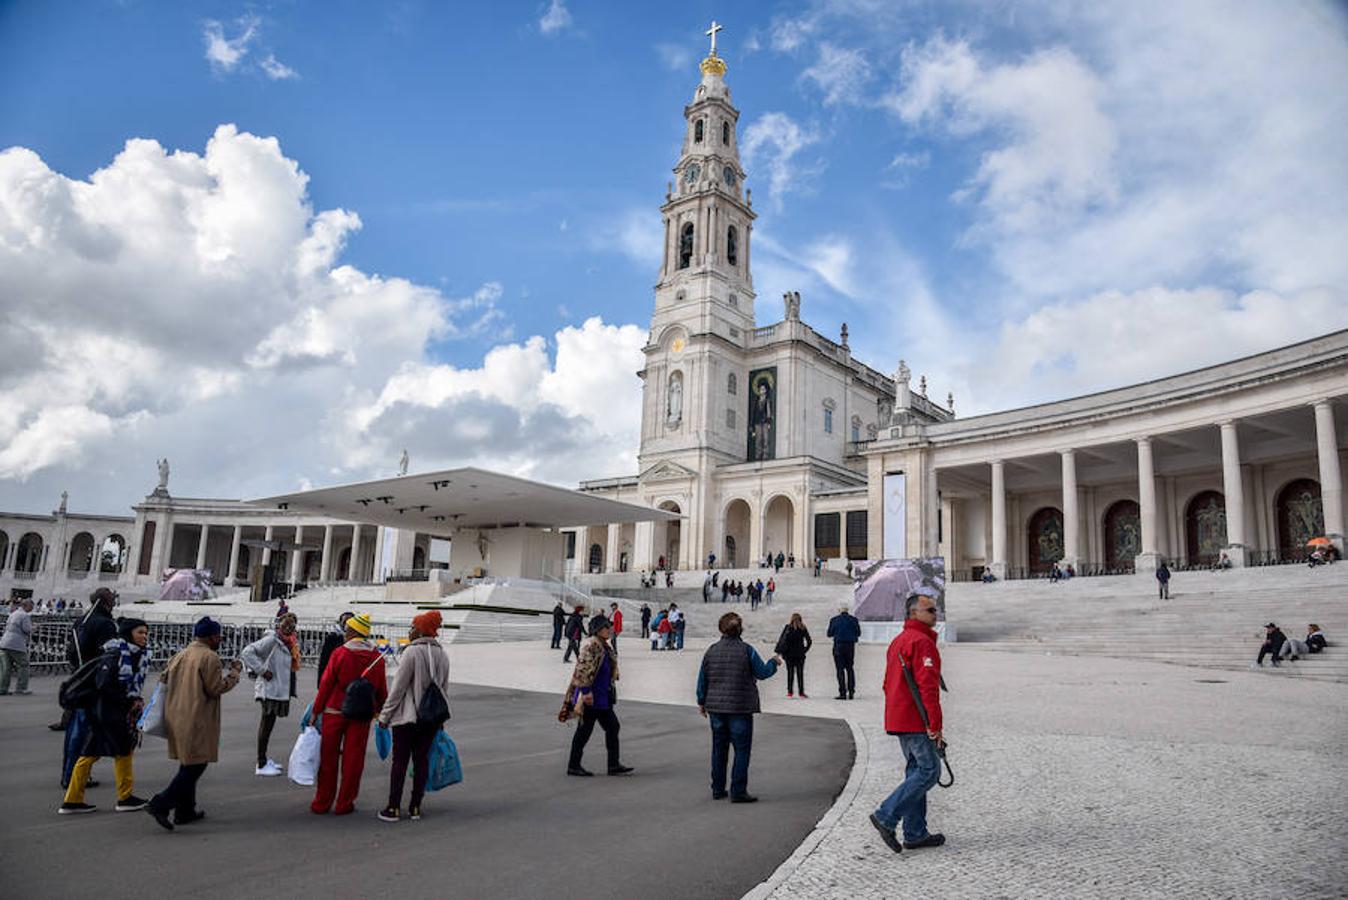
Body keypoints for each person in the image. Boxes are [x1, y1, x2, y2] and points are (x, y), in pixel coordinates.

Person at [145, 617, 242, 830]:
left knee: (188, 761)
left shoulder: (180, 654)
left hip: (176, 714)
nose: (221, 640)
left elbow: (164, 680)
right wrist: (234, 673)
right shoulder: (210, 657)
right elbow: (216, 688)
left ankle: (185, 810)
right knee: (196, 764)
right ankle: (161, 803)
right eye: (219, 636)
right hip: (196, 717)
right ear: (210, 636)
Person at [869, 593, 946, 853]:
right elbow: (928, 687)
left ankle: (915, 833)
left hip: (900, 716)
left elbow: (886, 683)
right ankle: (886, 815)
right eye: (930, 610)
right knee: (929, 772)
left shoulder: (898, 641)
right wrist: (934, 724)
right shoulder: (921, 642)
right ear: (914, 613)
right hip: (916, 720)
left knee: (915, 771)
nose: (935, 614)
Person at [59, 617, 150, 814]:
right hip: (108, 713)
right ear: (129, 634)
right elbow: (105, 685)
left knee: (90, 753)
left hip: (105, 712)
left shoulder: (132, 654)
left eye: (146, 632)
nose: (144, 636)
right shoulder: (116, 655)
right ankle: (125, 798)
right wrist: (130, 701)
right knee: (123, 751)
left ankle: (72, 800)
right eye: (140, 632)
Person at [696, 612, 780, 802]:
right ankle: (738, 791)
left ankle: (717, 788)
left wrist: (702, 702)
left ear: (721, 628)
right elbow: (762, 672)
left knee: (719, 749)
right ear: (740, 629)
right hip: (740, 708)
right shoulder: (746, 650)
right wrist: (774, 662)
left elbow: (703, 679)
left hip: (716, 708)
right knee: (741, 750)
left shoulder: (711, 650)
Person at [377, 611, 451, 822]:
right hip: (430, 719)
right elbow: (444, 689)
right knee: (421, 761)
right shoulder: (443, 654)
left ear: (420, 630)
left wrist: (385, 716)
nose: (409, 631)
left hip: (407, 717)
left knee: (399, 762)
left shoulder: (412, 652)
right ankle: (415, 806)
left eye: (412, 627)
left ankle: (393, 807)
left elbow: (398, 689)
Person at [310, 613, 388, 815]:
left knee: (328, 758)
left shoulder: (340, 653)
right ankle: (345, 803)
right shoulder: (376, 657)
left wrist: (316, 710)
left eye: (347, 630)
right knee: (354, 760)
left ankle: (322, 802)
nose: (345, 633)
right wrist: (382, 712)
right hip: (362, 713)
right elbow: (381, 689)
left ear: (353, 632)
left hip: (334, 710)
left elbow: (326, 684)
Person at [62, 587, 121, 788]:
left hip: (78, 677)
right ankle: (73, 777)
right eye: (112, 598)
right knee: (83, 731)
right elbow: (110, 657)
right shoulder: (105, 624)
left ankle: (69, 773)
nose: (114, 601)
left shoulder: (82, 621)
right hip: (93, 682)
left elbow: (71, 651)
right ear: (106, 601)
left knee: (74, 730)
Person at [562, 615, 632, 777]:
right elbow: (582, 670)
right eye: (607, 627)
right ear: (598, 629)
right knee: (584, 731)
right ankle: (574, 765)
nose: (610, 629)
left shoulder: (604, 646)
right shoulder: (592, 646)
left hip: (602, 697)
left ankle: (613, 765)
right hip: (591, 697)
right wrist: (586, 693)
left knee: (612, 727)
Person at [241, 612, 300, 777]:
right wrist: (262, 670)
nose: (289, 628)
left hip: (278, 688)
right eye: (285, 624)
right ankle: (261, 763)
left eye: (292, 625)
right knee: (266, 725)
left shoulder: (289, 642)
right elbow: (247, 652)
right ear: (279, 625)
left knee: (269, 723)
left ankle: (264, 760)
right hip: (270, 689)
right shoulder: (272, 640)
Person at [0, 598, 34, 695]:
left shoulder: (13, 614)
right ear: (26, 606)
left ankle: (2, 688)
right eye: (31, 607)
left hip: (4, 641)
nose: (31, 609)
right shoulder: (25, 615)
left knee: (5, 667)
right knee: (23, 665)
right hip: (16, 643)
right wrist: (34, 628)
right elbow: (27, 629)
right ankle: (21, 688)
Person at [827, 605, 861, 700]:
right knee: (850, 669)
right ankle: (851, 691)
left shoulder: (834, 620)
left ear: (839, 611)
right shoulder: (854, 620)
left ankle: (842, 692)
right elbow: (858, 633)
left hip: (838, 646)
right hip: (850, 646)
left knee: (840, 670)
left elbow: (829, 633)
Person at [775, 613, 813, 698]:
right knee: (800, 674)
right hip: (800, 655)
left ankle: (790, 692)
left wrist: (781, 651)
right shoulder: (803, 628)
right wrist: (804, 650)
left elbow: (782, 640)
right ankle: (801, 692)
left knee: (790, 673)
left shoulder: (788, 628)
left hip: (789, 655)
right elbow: (809, 641)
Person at [317, 612, 354, 686]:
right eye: (345, 622)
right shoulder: (332, 638)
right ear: (340, 623)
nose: (347, 625)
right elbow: (324, 660)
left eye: (350, 622)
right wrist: (320, 682)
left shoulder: (359, 640)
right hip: (335, 678)